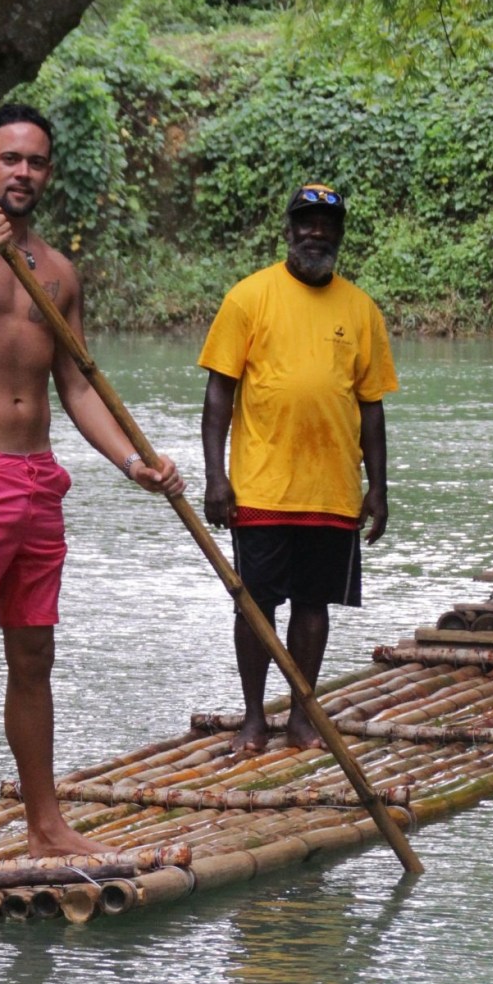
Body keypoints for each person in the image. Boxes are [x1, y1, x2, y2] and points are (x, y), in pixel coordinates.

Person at [0, 102, 183, 875]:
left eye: (36, 162)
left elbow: (76, 385)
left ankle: (46, 825)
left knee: (34, 656)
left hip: (37, 482)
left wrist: (132, 463)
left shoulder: (57, 273)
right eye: (9, 158)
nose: (22, 172)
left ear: (49, 174)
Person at [199, 182, 398, 754]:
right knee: (255, 606)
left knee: (314, 606)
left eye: (327, 225)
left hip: (332, 488)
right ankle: (253, 718)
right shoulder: (249, 297)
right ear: (288, 230)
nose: (316, 233)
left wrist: (378, 488)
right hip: (260, 486)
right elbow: (218, 395)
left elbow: (371, 406)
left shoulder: (361, 310)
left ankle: (302, 716)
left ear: (339, 235)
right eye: (306, 222)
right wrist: (216, 477)